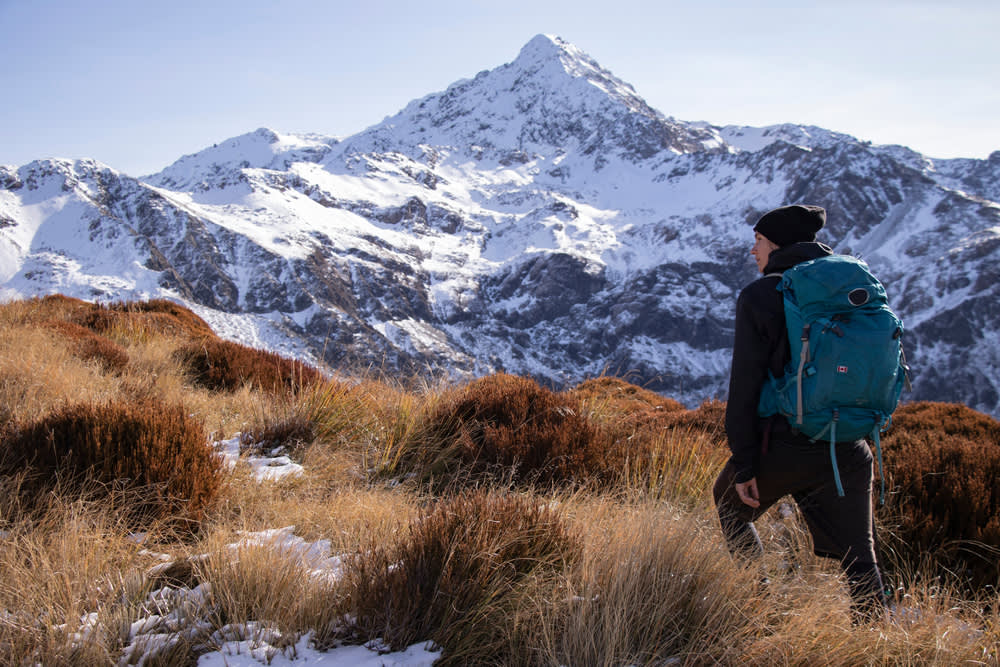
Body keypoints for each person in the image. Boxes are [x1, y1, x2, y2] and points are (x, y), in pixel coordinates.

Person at [713, 204, 886, 621]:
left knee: (727, 503)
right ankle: (882, 642)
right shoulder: (849, 286)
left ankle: (760, 606)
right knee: (860, 558)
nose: (752, 251)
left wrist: (744, 462)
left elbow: (745, 386)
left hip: (785, 442)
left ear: (777, 244)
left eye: (758, 241)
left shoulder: (762, 295)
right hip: (848, 443)